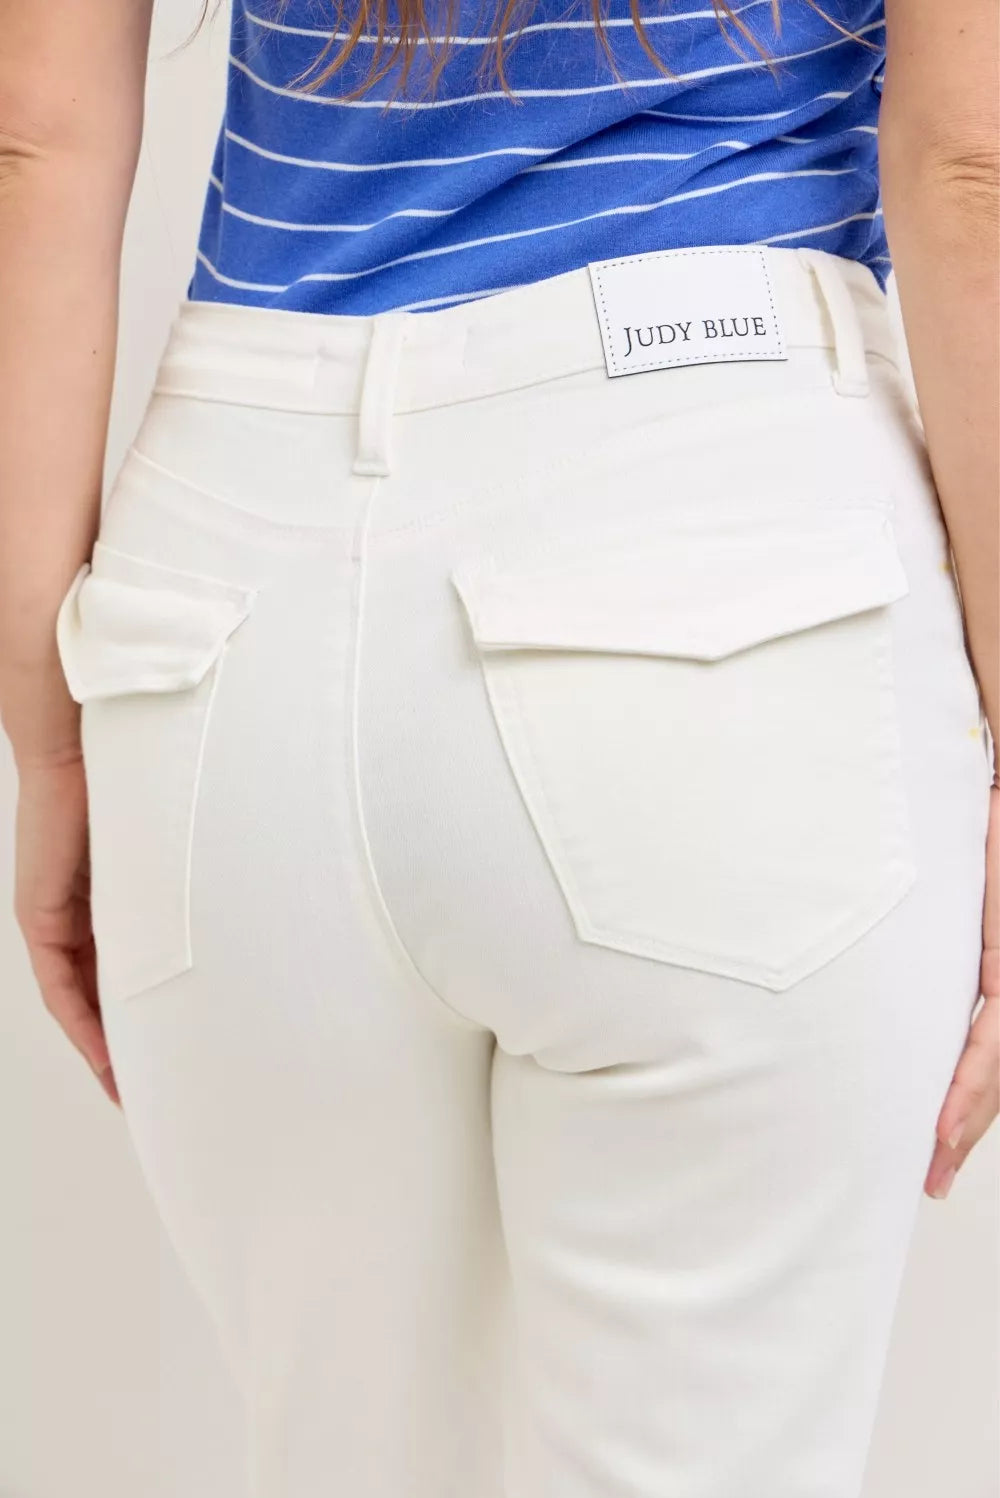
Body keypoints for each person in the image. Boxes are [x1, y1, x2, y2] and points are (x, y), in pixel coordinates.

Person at [1, 0, 996, 1493]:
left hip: (227, 600)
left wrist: (54, 741)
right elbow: (972, 163)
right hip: (725, 555)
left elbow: (34, 137)